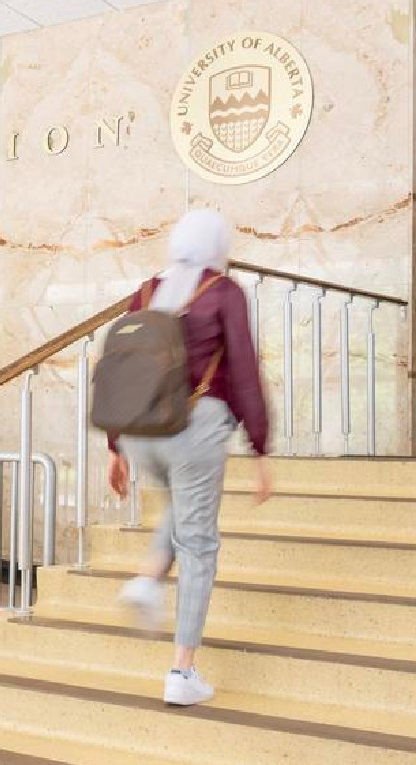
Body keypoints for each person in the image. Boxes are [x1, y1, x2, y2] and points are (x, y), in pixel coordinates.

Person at [105, 208, 273, 707]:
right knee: (199, 544)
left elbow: (122, 369)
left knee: (183, 509)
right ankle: (182, 671)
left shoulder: (146, 292)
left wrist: (116, 446)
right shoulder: (223, 292)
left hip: (142, 432)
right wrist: (260, 447)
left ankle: (149, 577)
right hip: (195, 428)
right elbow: (243, 369)